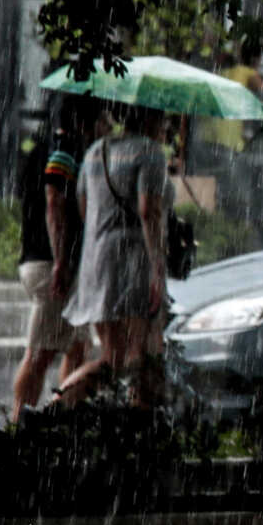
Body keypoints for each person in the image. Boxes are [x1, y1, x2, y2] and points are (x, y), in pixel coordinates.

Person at [57, 105, 173, 409]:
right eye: (164, 118)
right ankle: (140, 431)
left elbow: (84, 209)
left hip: (96, 262)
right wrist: (157, 271)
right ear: (151, 118)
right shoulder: (150, 152)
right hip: (132, 264)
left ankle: (54, 409)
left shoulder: (96, 151)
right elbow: (149, 212)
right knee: (143, 356)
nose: (167, 125)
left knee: (115, 358)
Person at [9, 100, 92, 422]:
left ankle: (64, 417)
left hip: (47, 262)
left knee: (77, 347)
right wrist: (61, 261)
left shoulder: (41, 150)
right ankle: (18, 423)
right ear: (86, 123)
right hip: (52, 266)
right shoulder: (64, 150)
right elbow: (54, 202)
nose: (106, 128)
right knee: (41, 353)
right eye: (103, 121)